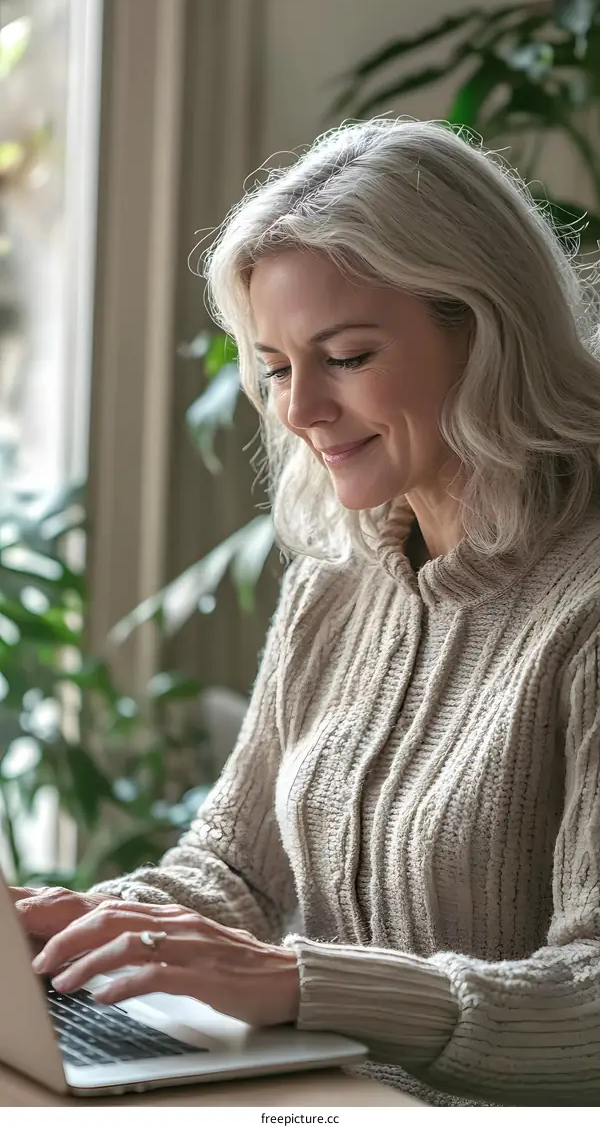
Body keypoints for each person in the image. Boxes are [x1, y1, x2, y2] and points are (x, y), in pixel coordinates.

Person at [11, 116, 600, 1108]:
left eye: (349, 355)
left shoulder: (582, 611)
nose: (298, 410)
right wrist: (81, 929)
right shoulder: (336, 583)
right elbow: (234, 865)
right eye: (279, 366)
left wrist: (298, 981)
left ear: (485, 329)